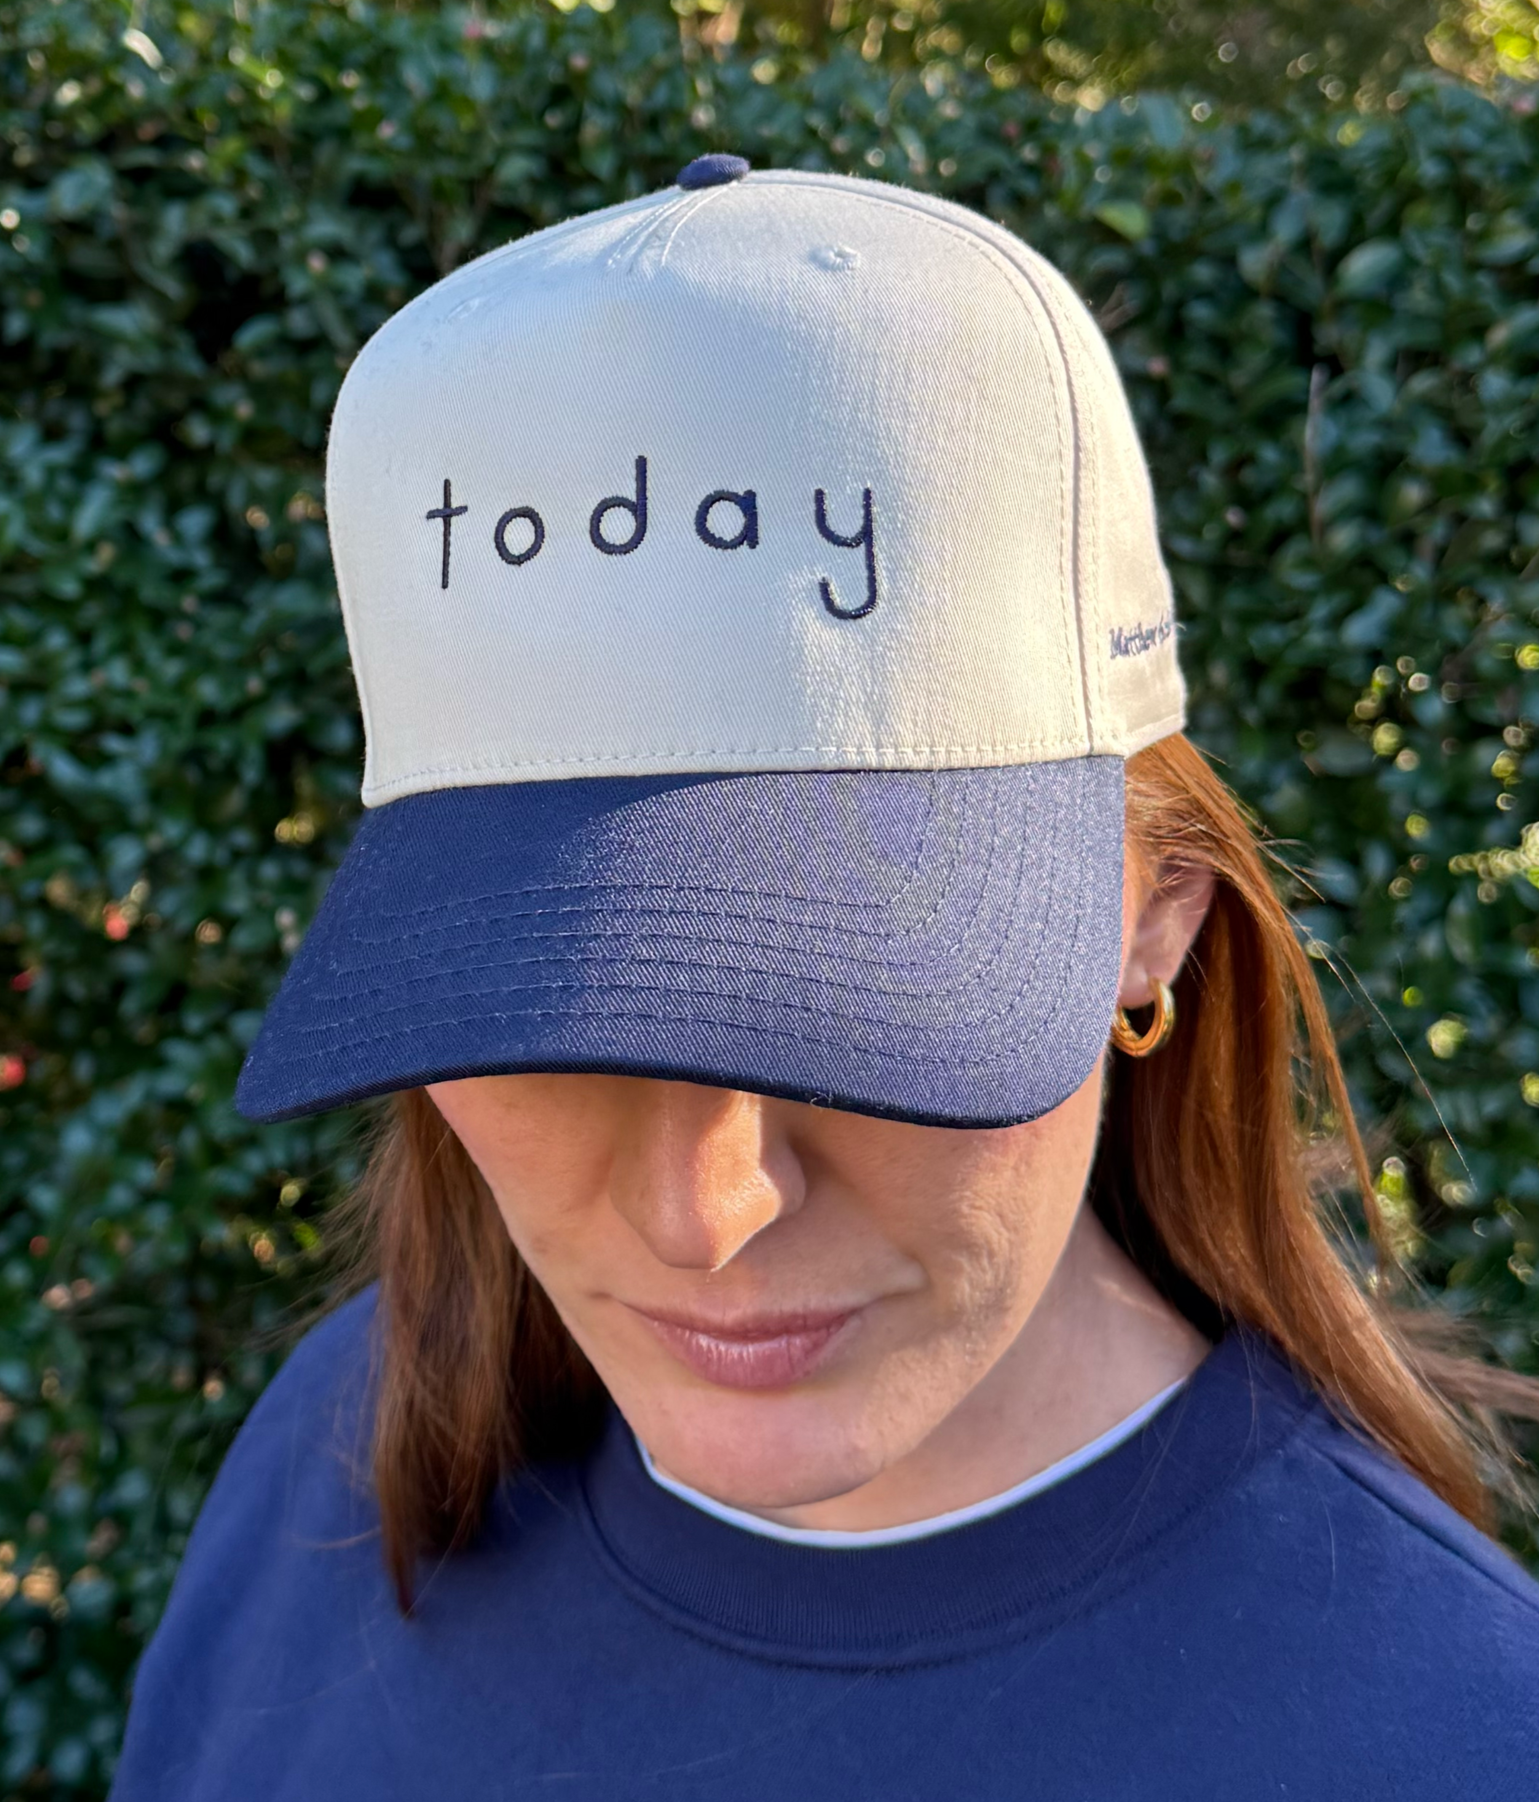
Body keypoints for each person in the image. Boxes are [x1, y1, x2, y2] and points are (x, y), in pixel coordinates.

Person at [110, 155, 1539, 1800]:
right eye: (552, 1010)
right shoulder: (330, 1460)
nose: (711, 1208)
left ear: (1155, 916)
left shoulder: (1452, 1737)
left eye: (863, 1008)